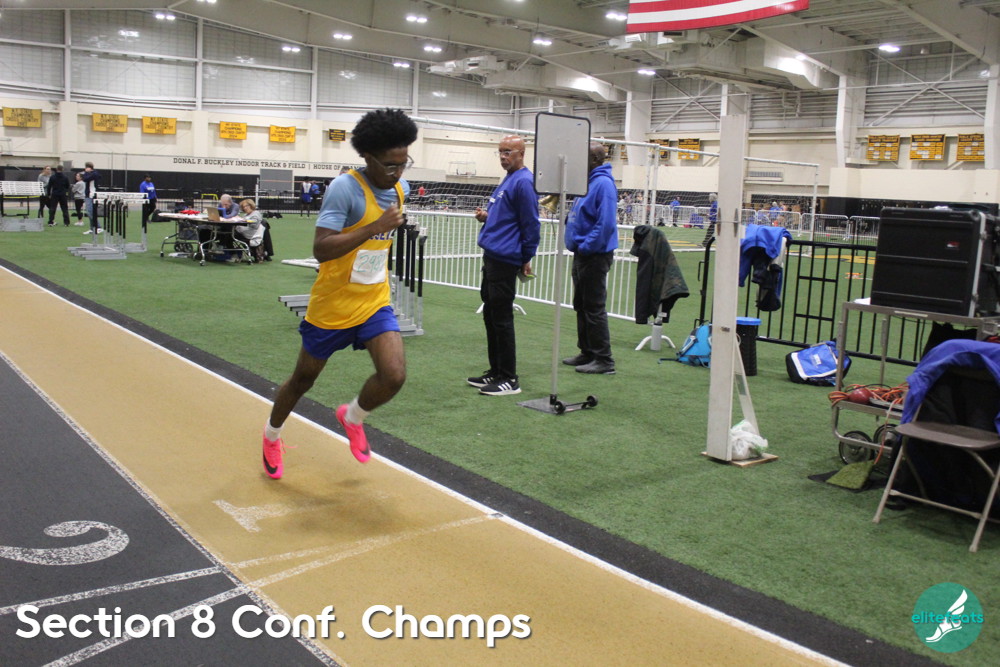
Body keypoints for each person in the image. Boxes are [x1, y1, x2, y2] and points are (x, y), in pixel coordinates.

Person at [261, 108, 418, 479]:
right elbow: (322, 249)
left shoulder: (402, 189)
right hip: (332, 306)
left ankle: (353, 416)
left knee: (394, 375)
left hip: (374, 301)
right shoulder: (345, 188)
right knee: (303, 380)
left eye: (404, 163)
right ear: (367, 156)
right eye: (390, 165)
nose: (398, 172)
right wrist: (375, 227)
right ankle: (271, 435)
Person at [468, 135, 540, 396]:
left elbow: (531, 224)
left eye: (508, 151)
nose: (502, 156)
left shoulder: (524, 182)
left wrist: (525, 257)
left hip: (505, 259)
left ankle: (509, 378)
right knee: (491, 315)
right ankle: (496, 371)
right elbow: (506, 217)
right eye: (500, 151)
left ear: (521, 153)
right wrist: (486, 217)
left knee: (501, 318)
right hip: (492, 256)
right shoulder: (508, 179)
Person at [562, 142, 618, 375]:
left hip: (593, 255)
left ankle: (604, 359)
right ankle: (587, 352)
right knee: (582, 305)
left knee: (594, 307)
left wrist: (586, 246)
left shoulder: (603, 184)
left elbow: (605, 224)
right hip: (583, 253)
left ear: (594, 159)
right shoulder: (588, 182)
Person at [81, 162, 102, 235]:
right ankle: (92, 228)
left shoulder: (94, 174)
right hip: (88, 194)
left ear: (89, 168)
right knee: (90, 212)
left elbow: (85, 178)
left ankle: (98, 227)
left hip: (92, 194)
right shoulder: (90, 174)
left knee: (90, 211)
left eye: (86, 167)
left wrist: (87, 173)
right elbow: (85, 178)